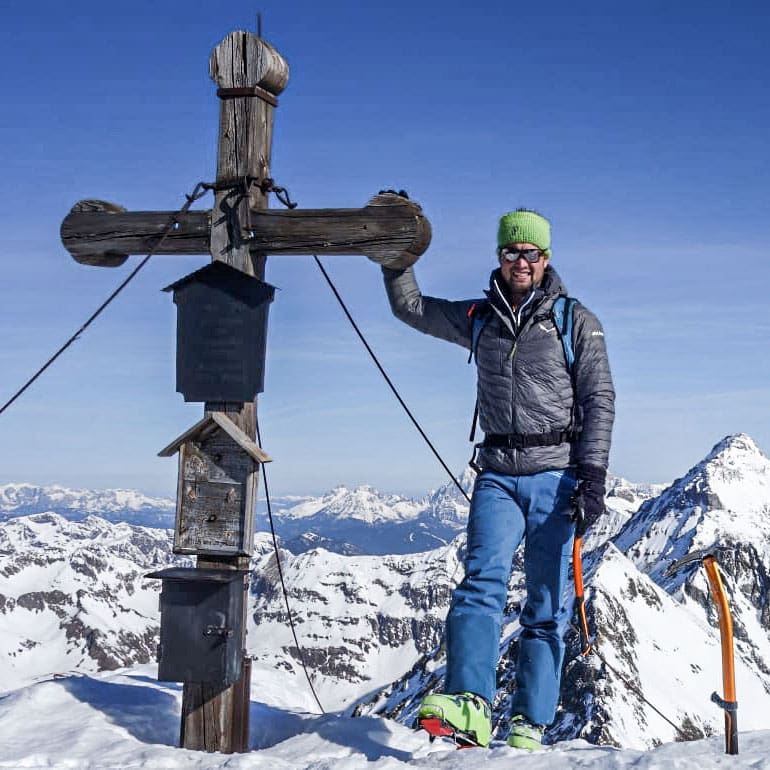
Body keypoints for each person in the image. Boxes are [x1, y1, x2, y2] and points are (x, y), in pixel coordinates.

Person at [378, 209, 614, 750]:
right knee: (478, 587)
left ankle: (530, 724)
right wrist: (396, 257)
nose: (522, 262)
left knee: (545, 605)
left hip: (557, 477)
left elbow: (599, 400)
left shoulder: (574, 320)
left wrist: (593, 476)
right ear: (500, 257)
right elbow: (410, 307)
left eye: (532, 253)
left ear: (546, 258)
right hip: (498, 476)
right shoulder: (478, 317)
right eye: (512, 252)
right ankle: (470, 705)